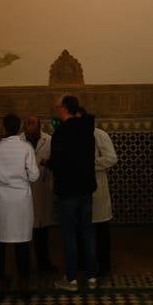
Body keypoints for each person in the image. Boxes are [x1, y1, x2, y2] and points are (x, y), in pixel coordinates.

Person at [0, 113, 39, 295]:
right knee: (22, 241)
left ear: (3, 127)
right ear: (19, 127)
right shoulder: (26, 148)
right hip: (21, 200)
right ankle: (23, 282)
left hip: (1, 199)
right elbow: (34, 175)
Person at [48, 94, 98, 291]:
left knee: (69, 235)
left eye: (58, 106)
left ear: (63, 108)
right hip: (86, 189)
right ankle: (92, 277)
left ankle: (71, 279)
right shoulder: (87, 130)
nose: (57, 109)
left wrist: (48, 163)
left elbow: (58, 163)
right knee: (88, 232)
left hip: (68, 191)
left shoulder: (60, 133)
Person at [76, 107, 118, 277]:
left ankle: (104, 264)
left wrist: (89, 164)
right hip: (79, 189)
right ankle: (83, 263)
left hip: (97, 188)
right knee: (80, 228)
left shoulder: (99, 134)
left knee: (100, 229)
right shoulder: (75, 137)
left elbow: (111, 158)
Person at [20, 115, 56, 274]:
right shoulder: (18, 141)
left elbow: (55, 161)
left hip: (43, 188)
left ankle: (44, 263)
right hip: (25, 189)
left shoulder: (49, 140)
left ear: (39, 125)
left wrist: (44, 163)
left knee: (42, 229)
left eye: (33, 122)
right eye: (27, 122)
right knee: (25, 230)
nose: (29, 124)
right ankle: (25, 266)